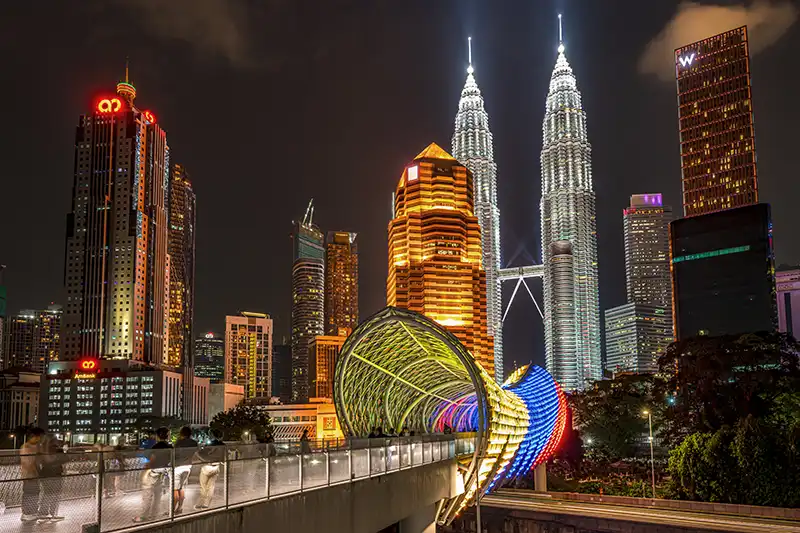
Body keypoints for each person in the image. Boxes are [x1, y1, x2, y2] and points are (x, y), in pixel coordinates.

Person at [134, 427, 172, 522]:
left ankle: (143, 516)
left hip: (152, 472)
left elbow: (152, 459)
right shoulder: (170, 447)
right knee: (157, 496)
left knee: (147, 495)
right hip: (162, 472)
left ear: (158, 436)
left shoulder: (156, 447)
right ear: (167, 436)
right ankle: (154, 515)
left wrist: (145, 468)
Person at [37, 435, 67, 523]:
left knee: (47, 494)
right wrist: (65, 451)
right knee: (55, 494)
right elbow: (64, 460)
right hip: (56, 475)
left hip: (45, 475)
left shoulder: (44, 450)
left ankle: (43, 514)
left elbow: (39, 462)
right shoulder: (58, 450)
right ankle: (53, 514)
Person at [19, 428, 44, 522]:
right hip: (29, 475)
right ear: (34, 436)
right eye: (39, 437)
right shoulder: (26, 447)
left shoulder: (36, 446)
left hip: (34, 475)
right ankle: (26, 513)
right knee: (28, 493)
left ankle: (33, 512)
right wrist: (36, 472)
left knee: (35, 493)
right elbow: (28, 463)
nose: (40, 439)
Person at [195, 429, 225, 510]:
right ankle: (206, 504)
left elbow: (202, 454)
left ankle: (201, 502)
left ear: (212, 435)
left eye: (209, 434)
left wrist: (198, 452)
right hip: (216, 466)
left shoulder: (210, 445)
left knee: (203, 486)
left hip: (207, 466)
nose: (209, 436)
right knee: (211, 486)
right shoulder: (223, 445)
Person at [173, 426, 198, 514]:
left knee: (175, 489)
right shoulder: (194, 443)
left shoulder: (179, 442)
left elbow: (174, 454)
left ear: (181, 433)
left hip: (178, 467)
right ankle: (180, 508)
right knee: (182, 488)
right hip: (188, 466)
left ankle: (172, 510)